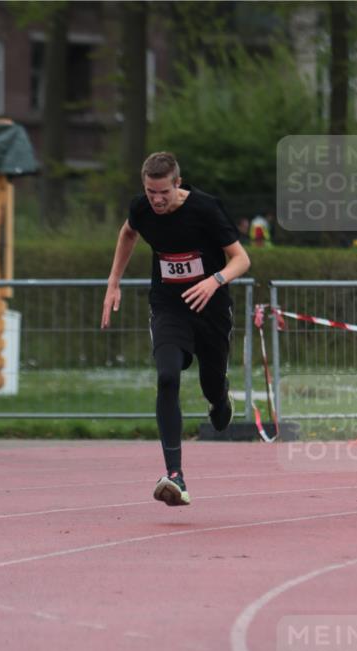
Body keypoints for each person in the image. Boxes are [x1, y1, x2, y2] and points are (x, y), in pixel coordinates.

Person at [101, 151, 250, 506]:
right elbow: (127, 234)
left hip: (210, 308)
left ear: (178, 184)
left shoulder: (206, 209)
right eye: (150, 192)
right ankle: (175, 476)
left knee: (211, 386)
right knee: (167, 376)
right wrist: (113, 282)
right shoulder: (141, 208)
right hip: (169, 306)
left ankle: (220, 396)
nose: (156, 200)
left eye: (163, 192)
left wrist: (214, 281)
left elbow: (242, 259)